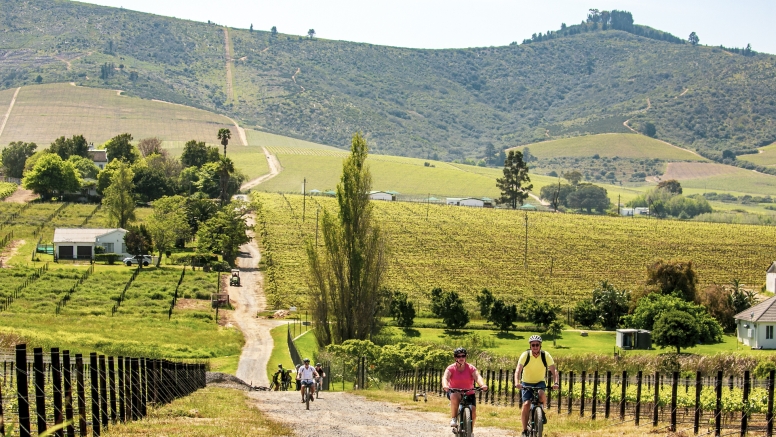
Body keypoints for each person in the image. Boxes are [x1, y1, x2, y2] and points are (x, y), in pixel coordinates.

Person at [514, 335, 559, 437]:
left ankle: (541, 413)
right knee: (526, 404)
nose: (535, 347)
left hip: (539, 382)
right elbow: (518, 370)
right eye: (533, 345)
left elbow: (554, 371)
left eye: (537, 345)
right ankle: (525, 430)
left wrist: (556, 383)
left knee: (541, 394)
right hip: (526, 382)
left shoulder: (545, 355)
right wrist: (517, 382)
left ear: (540, 345)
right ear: (530, 346)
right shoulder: (525, 355)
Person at [441, 347, 488, 435]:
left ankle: (471, 431)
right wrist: (445, 385)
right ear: (455, 358)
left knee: (473, 411)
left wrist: (482, 385)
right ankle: (454, 418)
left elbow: (477, 377)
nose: (461, 358)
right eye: (459, 356)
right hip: (455, 391)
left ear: (466, 357)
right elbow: (445, 377)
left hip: (469, 392)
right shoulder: (451, 368)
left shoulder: (471, 368)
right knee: (454, 396)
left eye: (463, 356)